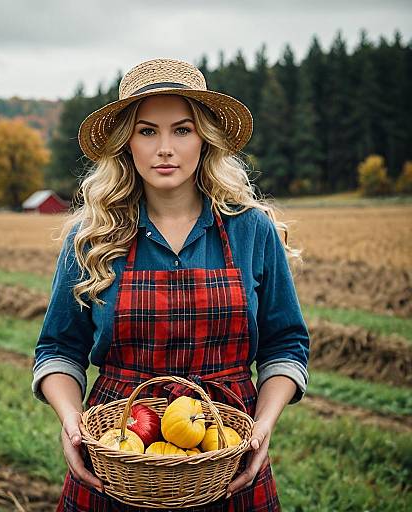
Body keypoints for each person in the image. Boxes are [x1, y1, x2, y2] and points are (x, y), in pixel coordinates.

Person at [32, 58, 309, 511]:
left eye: (181, 130)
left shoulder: (251, 230)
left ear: (205, 138)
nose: (165, 148)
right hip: (120, 455)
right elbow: (59, 350)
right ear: (126, 143)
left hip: (227, 454)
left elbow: (286, 344)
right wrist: (72, 423)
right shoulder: (92, 235)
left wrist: (263, 426)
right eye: (147, 131)